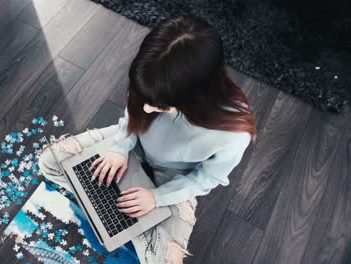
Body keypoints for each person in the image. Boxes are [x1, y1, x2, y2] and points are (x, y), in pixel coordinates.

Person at [38, 15, 257, 264]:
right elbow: (132, 116)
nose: (149, 110)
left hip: (172, 181)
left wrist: (157, 198)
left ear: (197, 98)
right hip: (132, 147)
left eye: (162, 107)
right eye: (145, 100)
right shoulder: (151, 80)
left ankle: (116, 215)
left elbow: (207, 179)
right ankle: (117, 217)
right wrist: (120, 148)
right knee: (49, 162)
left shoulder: (233, 133)